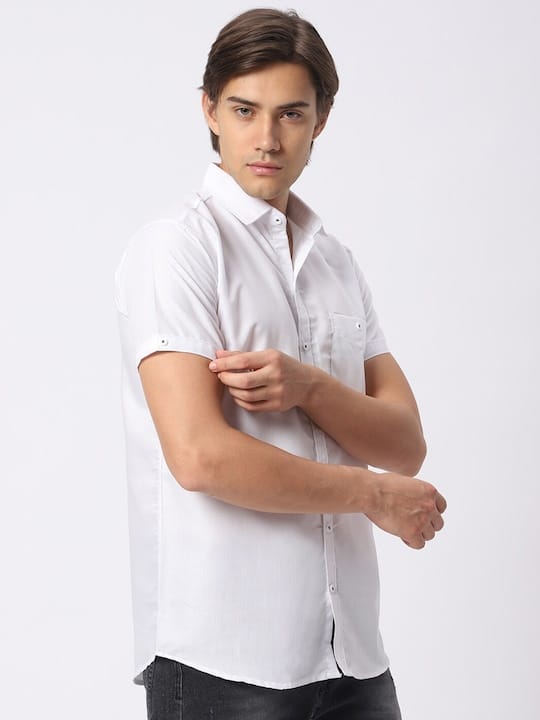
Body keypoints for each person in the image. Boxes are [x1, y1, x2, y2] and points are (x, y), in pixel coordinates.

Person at [114, 8, 447, 719]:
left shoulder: (336, 264)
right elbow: (199, 456)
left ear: (320, 119)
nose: (267, 138)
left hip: (352, 658)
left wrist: (311, 386)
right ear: (209, 109)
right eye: (245, 110)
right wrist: (371, 494)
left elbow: (405, 444)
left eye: (291, 114)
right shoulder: (174, 249)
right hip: (223, 658)